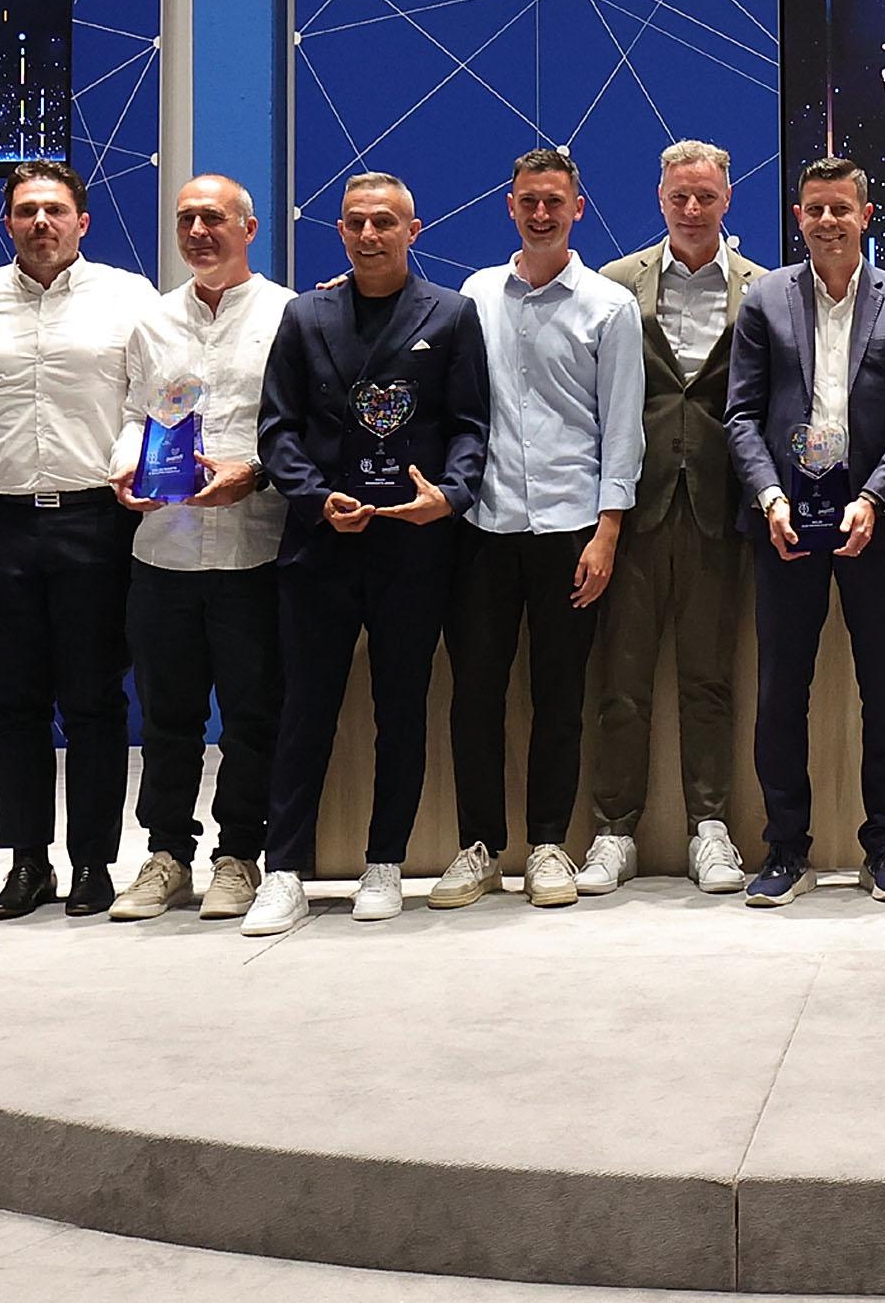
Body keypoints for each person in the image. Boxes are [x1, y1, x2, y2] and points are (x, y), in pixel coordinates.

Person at [245, 173, 491, 936]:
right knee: (304, 711)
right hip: (322, 543)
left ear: (413, 231)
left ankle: (385, 863)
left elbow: (471, 428)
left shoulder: (451, 315)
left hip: (412, 547)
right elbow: (276, 432)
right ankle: (282, 870)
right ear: (341, 231)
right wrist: (317, 499)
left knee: (401, 707)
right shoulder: (304, 314)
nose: (369, 234)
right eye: (355, 222)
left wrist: (447, 497)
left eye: (385, 222)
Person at [0, 161, 158, 921]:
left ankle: (94, 863)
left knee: (94, 701)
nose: (41, 222)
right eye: (27, 210)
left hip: (94, 520)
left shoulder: (130, 298)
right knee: (11, 702)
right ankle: (26, 863)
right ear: (8, 223)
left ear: (82, 222)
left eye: (55, 210)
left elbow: (149, 399)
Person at [431, 148, 642, 914]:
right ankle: (479, 847)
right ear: (510, 206)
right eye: (529, 201)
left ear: (578, 208)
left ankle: (549, 841)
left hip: (570, 529)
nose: (542, 213)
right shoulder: (475, 295)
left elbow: (622, 430)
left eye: (555, 201)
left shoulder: (608, 306)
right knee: (476, 695)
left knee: (559, 697)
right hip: (483, 526)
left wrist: (608, 530)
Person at [725, 158, 885, 907]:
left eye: (840, 209)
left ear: (865, 214)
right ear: (798, 216)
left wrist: (875, 497)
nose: (827, 222)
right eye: (814, 209)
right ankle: (785, 850)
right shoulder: (764, 300)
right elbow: (741, 416)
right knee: (782, 689)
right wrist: (769, 496)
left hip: (871, 524)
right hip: (785, 523)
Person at [102, 175, 292, 923]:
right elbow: (132, 417)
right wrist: (124, 468)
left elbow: (300, 427)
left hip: (258, 548)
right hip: (165, 550)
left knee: (252, 717)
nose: (198, 231)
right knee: (168, 718)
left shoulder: (288, 315)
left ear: (249, 229)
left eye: (213, 218)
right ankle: (166, 856)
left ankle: (240, 854)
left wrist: (259, 476)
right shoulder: (151, 323)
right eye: (186, 220)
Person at [588, 139, 766, 895]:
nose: (692, 210)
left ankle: (711, 829)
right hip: (631, 504)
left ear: (728, 201)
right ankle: (612, 831)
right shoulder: (613, 284)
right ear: (659, 200)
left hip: (722, 507)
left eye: (706, 198)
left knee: (709, 679)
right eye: (678, 198)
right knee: (622, 680)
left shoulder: (762, 290)